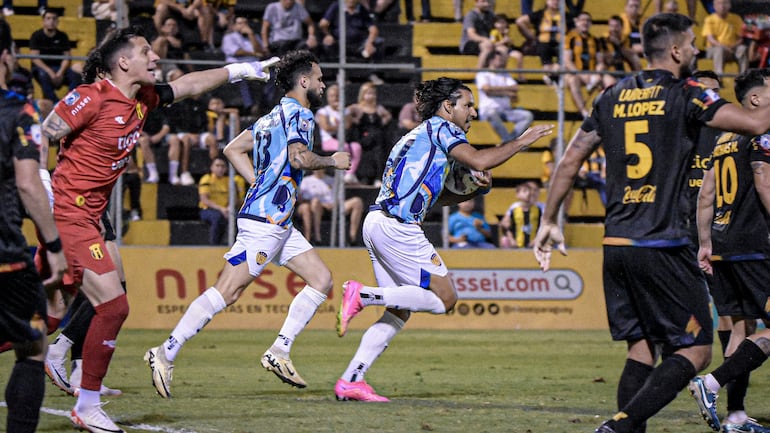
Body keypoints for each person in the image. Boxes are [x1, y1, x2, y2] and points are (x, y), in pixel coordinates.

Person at [531, 13, 770, 433]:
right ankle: (619, 426)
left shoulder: (611, 94)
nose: (697, 50)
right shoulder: (689, 92)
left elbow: (570, 159)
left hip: (617, 244)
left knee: (641, 350)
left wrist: (549, 219)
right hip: (663, 245)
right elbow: (755, 123)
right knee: (696, 351)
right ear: (676, 50)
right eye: (693, 43)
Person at [40, 25, 275, 431]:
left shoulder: (143, 98)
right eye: (146, 51)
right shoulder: (92, 97)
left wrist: (241, 69)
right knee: (114, 305)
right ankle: (88, 404)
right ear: (123, 61)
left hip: (89, 219)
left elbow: (190, 84)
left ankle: (78, 383)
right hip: (69, 215)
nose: (155, 57)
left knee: (43, 316)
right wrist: (37, 188)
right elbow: (43, 132)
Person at [144, 50, 351, 399]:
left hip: (276, 218)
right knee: (228, 290)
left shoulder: (272, 116)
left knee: (321, 279)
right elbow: (300, 156)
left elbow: (231, 149)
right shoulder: (300, 114)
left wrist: (260, 183)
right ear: (303, 81)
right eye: (318, 78)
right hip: (267, 221)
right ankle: (165, 351)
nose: (322, 83)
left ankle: (280, 351)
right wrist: (332, 160)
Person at [334, 77, 552, 401]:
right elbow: (479, 160)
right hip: (399, 227)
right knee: (446, 299)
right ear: (448, 106)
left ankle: (351, 380)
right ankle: (364, 296)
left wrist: (476, 187)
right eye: (467, 104)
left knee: (398, 311)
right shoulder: (442, 128)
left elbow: (436, 197)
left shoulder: (418, 137)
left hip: (378, 221)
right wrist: (521, 141)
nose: (473, 112)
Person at [688, 68, 770, 433]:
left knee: (741, 326)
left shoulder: (723, 137)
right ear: (755, 99)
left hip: (723, 245)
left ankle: (735, 416)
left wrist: (705, 243)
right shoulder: (760, 132)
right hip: (754, 245)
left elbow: (706, 194)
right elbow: (764, 182)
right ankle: (711, 383)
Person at [0, 19, 66, 433]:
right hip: (5, 258)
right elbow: (28, 182)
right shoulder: (18, 110)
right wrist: (54, 244)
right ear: (6, 56)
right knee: (32, 347)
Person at [475, 49, 534, 142]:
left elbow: (515, 88)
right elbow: (486, 89)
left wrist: (493, 90)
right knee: (491, 113)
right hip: (489, 110)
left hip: (505, 111)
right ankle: (509, 141)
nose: (502, 61)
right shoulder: (483, 74)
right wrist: (506, 92)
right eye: (499, 59)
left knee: (527, 116)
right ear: (491, 60)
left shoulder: (505, 74)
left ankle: (508, 141)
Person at [296, 168, 364, 245]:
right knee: (315, 202)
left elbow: (339, 196)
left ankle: (352, 238)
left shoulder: (332, 180)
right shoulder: (306, 181)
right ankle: (317, 237)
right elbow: (303, 198)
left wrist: (335, 203)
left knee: (357, 202)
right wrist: (323, 204)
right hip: (317, 207)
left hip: (334, 206)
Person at [29, 9, 82, 102]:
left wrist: (60, 73)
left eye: (54, 19)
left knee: (76, 76)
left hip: (59, 69)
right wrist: (50, 72)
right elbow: (35, 58)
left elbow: (67, 57)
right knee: (43, 75)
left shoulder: (63, 36)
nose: (51, 21)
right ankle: (55, 103)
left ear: (57, 21)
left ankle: (69, 102)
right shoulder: (36, 36)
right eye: (48, 18)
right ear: (43, 21)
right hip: (43, 69)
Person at [347, 81, 392, 186]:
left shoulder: (378, 108)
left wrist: (383, 121)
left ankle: (378, 178)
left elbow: (388, 116)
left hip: (377, 139)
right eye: (368, 93)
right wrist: (354, 119)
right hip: (363, 137)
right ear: (363, 95)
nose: (370, 96)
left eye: (372, 93)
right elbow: (346, 112)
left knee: (379, 149)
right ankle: (363, 177)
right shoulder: (358, 107)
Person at [315, 83, 361, 184]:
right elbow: (326, 127)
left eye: (337, 95)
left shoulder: (344, 111)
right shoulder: (323, 112)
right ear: (328, 97)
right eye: (332, 96)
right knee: (344, 147)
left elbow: (348, 125)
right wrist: (340, 125)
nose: (335, 98)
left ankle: (349, 174)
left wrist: (341, 113)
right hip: (328, 141)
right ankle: (344, 175)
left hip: (343, 140)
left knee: (356, 147)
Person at [564, 11, 604, 119]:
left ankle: (608, 111)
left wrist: (598, 73)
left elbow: (600, 61)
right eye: (582, 20)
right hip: (575, 73)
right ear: (577, 22)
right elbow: (567, 61)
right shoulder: (570, 38)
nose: (585, 23)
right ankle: (584, 112)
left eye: (588, 20)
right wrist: (582, 75)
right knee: (573, 80)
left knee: (610, 80)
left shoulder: (595, 40)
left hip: (591, 73)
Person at [198, 156, 246, 245]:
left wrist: (229, 208)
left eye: (223, 166)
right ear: (211, 167)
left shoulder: (230, 180)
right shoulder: (207, 179)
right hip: (208, 209)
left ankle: (237, 245)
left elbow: (235, 198)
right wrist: (221, 209)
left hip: (227, 209)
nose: (220, 169)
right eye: (217, 166)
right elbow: (204, 199)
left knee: (239, 218)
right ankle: (214, 245)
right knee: (217, 217)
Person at [515, 0, 565, 85]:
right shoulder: (541, 14)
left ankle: (552, 76)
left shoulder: (565, 16)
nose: (555, 2)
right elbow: (519, 21)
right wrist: (532, 38)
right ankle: (552, 77)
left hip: (561, 46)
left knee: (563, 55)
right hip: (543, 45)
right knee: (544, 49)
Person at [702, 0, 749, 76]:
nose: (722, 6)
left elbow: (741, 38)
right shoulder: (709, 19)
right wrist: (723, 47)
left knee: (742, 49)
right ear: (714, 6)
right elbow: (710, 39)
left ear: (730, 5)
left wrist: (732, 47)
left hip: (732, 49)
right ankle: (719, 77)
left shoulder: (736, 18)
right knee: (719, 50)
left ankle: (743, 76)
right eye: (719, 3)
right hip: (714, 49)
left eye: (725, 3)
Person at [500, 181, 543, 248]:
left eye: (534, 190)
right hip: (516, 243)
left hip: (534, 242)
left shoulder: (539, 209)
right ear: (517, 194)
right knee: (504, 240)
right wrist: (511, 239)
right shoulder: (514, 209)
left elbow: (542, 226)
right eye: (525, 191)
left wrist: (536, 240)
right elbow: (506, 225)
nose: (529, 193)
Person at [459, 0, 497, 70]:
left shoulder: (490, 15)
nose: (486, 4)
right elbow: (471, 35)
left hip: (487, 42)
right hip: (469, 44)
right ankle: (479, 73)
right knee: (487, 47)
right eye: (483, 1)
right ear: (476, 2)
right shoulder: (471, 15)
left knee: (502, 49)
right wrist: (485, 40)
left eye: (487, 2)